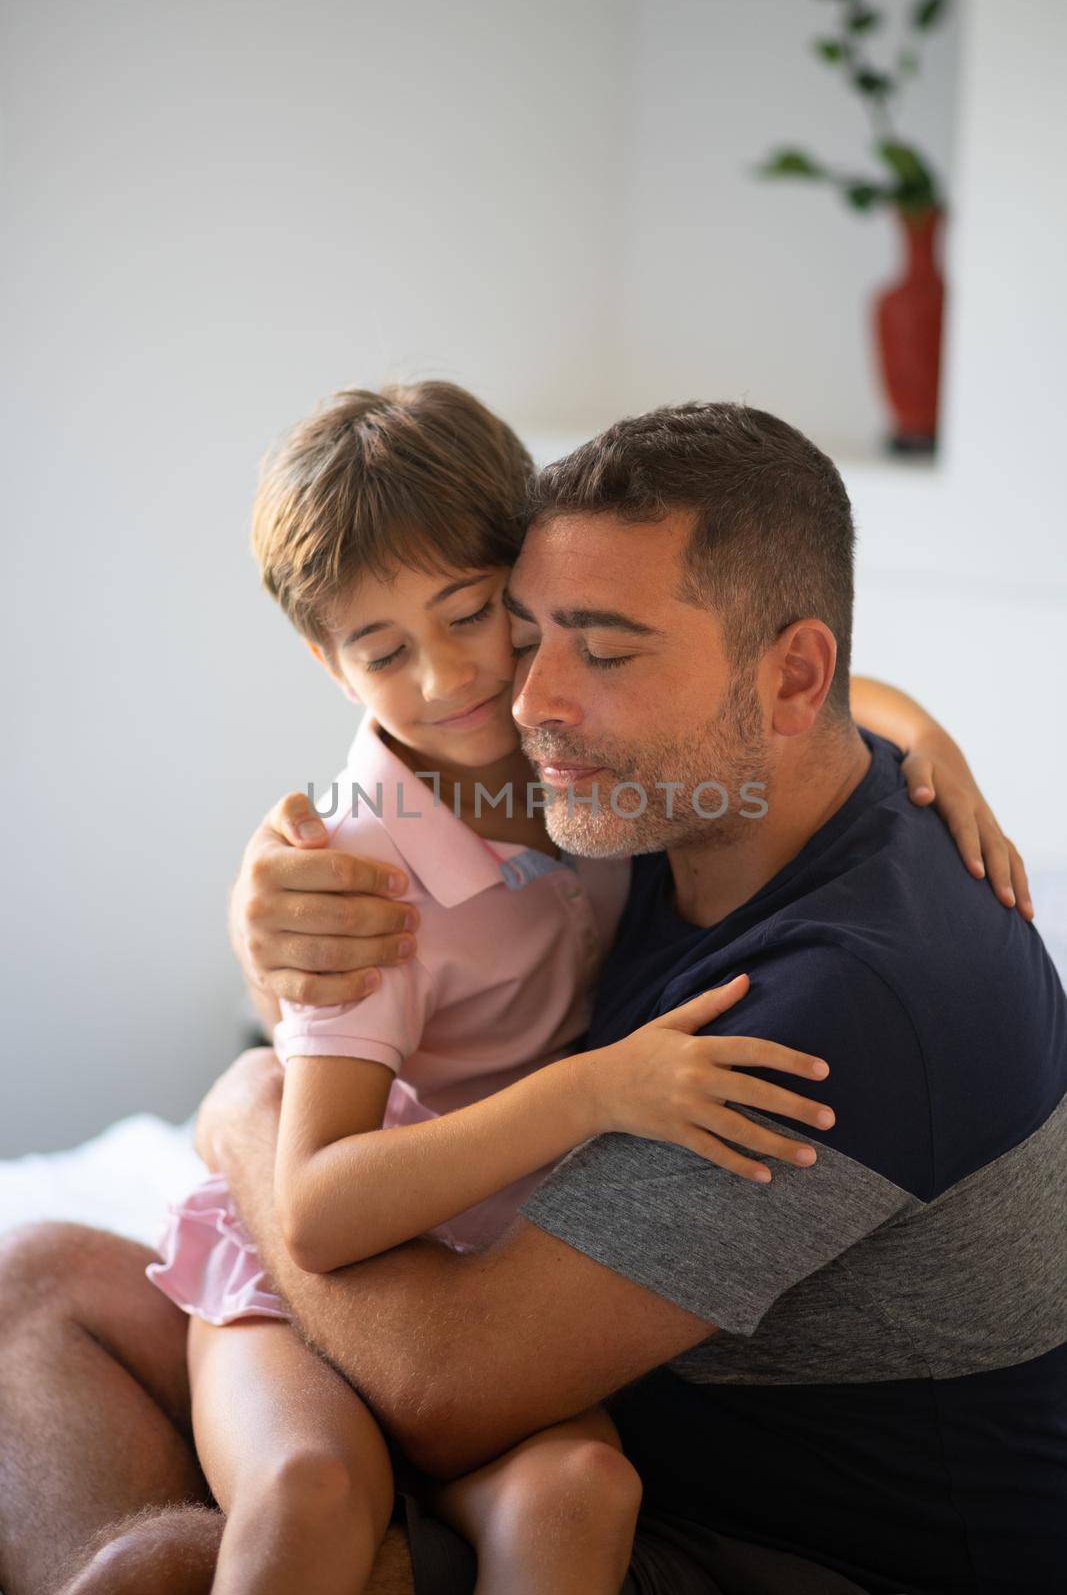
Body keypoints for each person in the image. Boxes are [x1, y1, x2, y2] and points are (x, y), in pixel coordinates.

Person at [0, 400, 1052, 1595]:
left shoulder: (838, 995)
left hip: (767, 1538)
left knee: (168, 1566)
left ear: (789, 678)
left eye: (598, 651)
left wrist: (246, 1105)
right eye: (530, 631)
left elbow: (444, 1390)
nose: (519, 696)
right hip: (474, 1286)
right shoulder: (662, 802)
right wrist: (271, 928)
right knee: (32, 1280)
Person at [142, 382, 843, 1595]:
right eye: (380, 650)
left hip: (487, 1283)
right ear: (326, 659)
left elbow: (759, 703)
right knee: (310, 1488)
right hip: (316, 1286)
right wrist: (593, 1094)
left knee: (583, 1491)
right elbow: (312, 1206)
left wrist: (913, 732)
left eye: (472, 616)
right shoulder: (353, 872)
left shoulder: (576, 752)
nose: (445, 677)